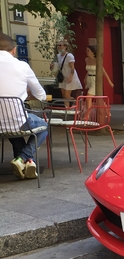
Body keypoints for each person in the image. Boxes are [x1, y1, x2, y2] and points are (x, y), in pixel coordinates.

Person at [0, 32, 48, 180]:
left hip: (1, 124)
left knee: (13, 131)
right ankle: (23, 158)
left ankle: (25, 164)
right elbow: (42, 96)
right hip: (18, 121)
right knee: (44, 126)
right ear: (13, 50)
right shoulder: (22, 66)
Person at [50, 40, 82, 105]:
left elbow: (72, 68)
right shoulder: (58, 56)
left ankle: (77, 103)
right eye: (58, 45)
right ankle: (67, 110)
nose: (59, 47)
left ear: (65, 47)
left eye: (60, 45)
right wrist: (52, 67)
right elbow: (58, 68)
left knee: (67, 96)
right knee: (64, 96)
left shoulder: (69, 56)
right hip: (63, 77)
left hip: (70, 76)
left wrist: (70, 77)